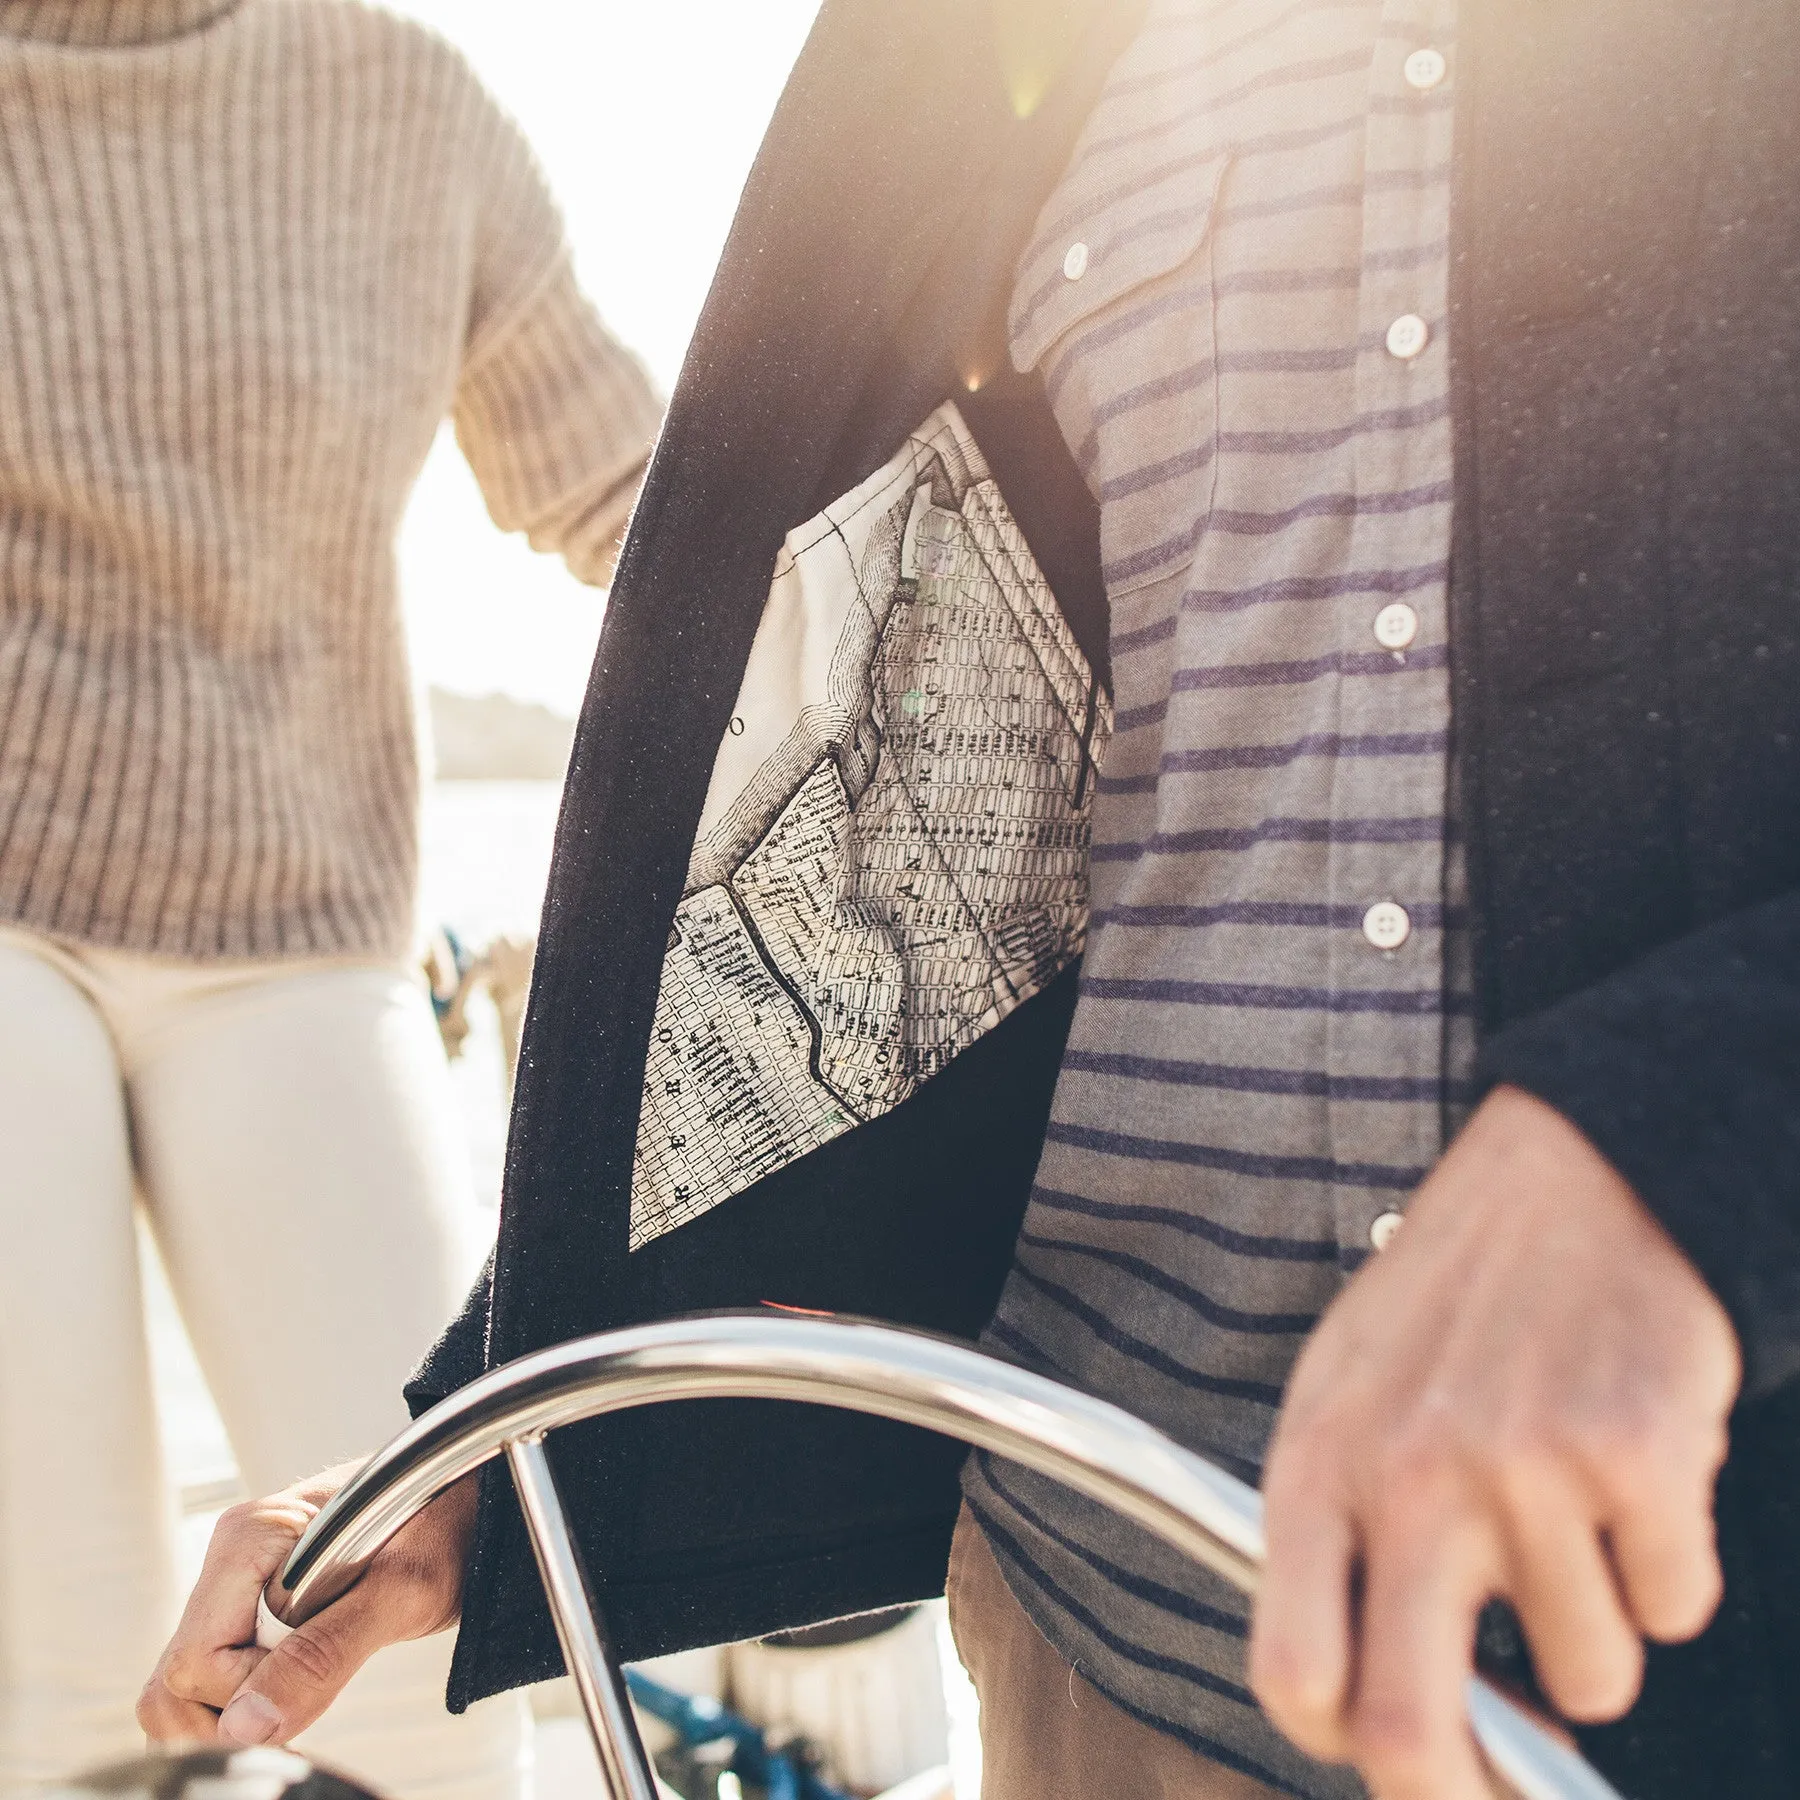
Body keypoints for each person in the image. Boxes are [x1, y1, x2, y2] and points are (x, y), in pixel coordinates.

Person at [142, 0, 1800, 1797]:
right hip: (1088, 1645)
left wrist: (1690, 1130)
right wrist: (518, 1432)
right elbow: (920, 848)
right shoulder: (998, 53)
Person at [0, 0, 660, 1795]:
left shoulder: (411, 111)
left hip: (296, 911)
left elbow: (648, 510)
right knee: (48, 1689)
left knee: (423, 1668)